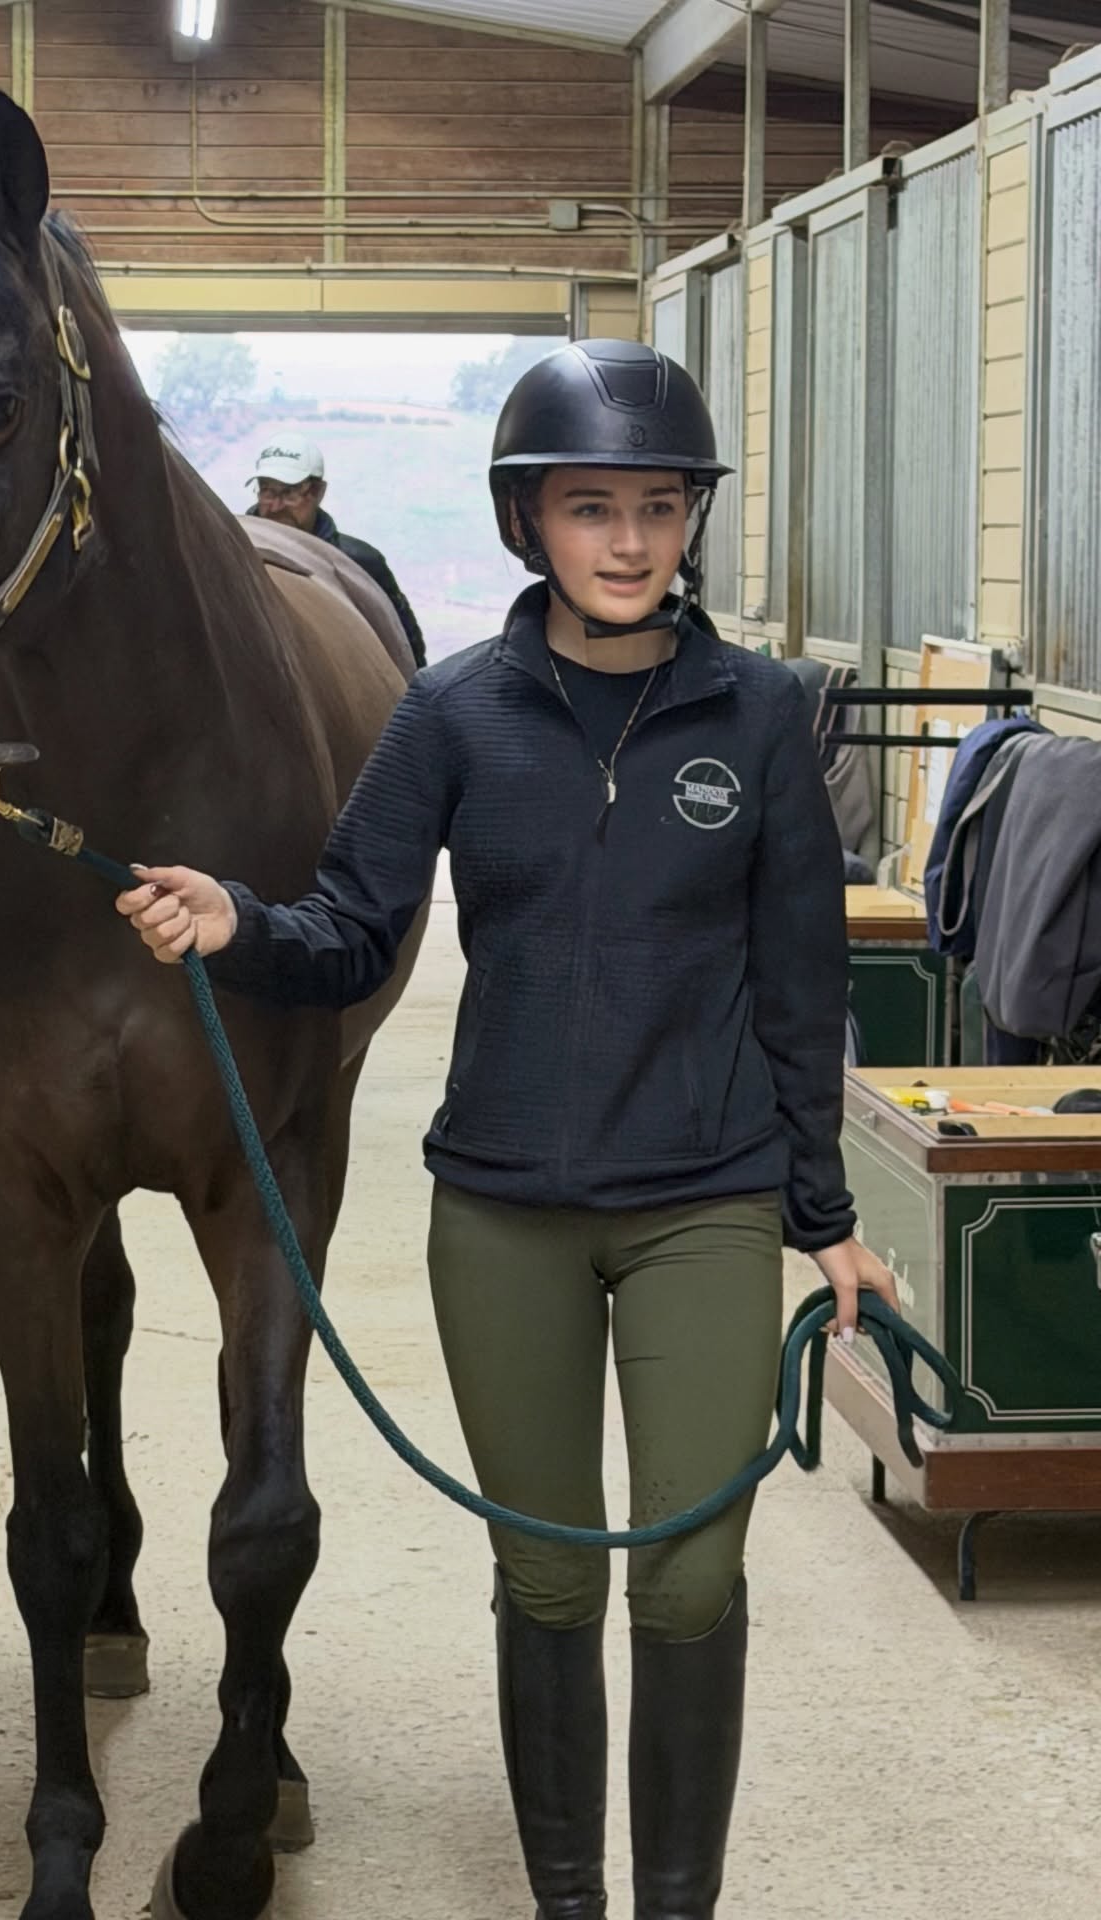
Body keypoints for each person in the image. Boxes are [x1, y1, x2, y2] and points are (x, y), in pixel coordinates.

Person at [121, 341, 898, 1919]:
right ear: (527, 523)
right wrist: (237, 923)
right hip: (503, 1212)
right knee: (547, 1573)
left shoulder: (761, 719)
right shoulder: (454, 713)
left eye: (659, 508)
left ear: (692, 524)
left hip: (706, 1200)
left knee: (688, 1576)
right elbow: (350, 926)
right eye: (590, 507)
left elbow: (804, 991)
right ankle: (568, 1905)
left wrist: (822, 1217)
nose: (627, 540)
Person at [247, 433, 426, 666]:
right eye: (268, 491)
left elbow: (407, 649)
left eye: (289, 493)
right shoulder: (230, 555)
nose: (276, 505)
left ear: (318, 492)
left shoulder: (359, 563)